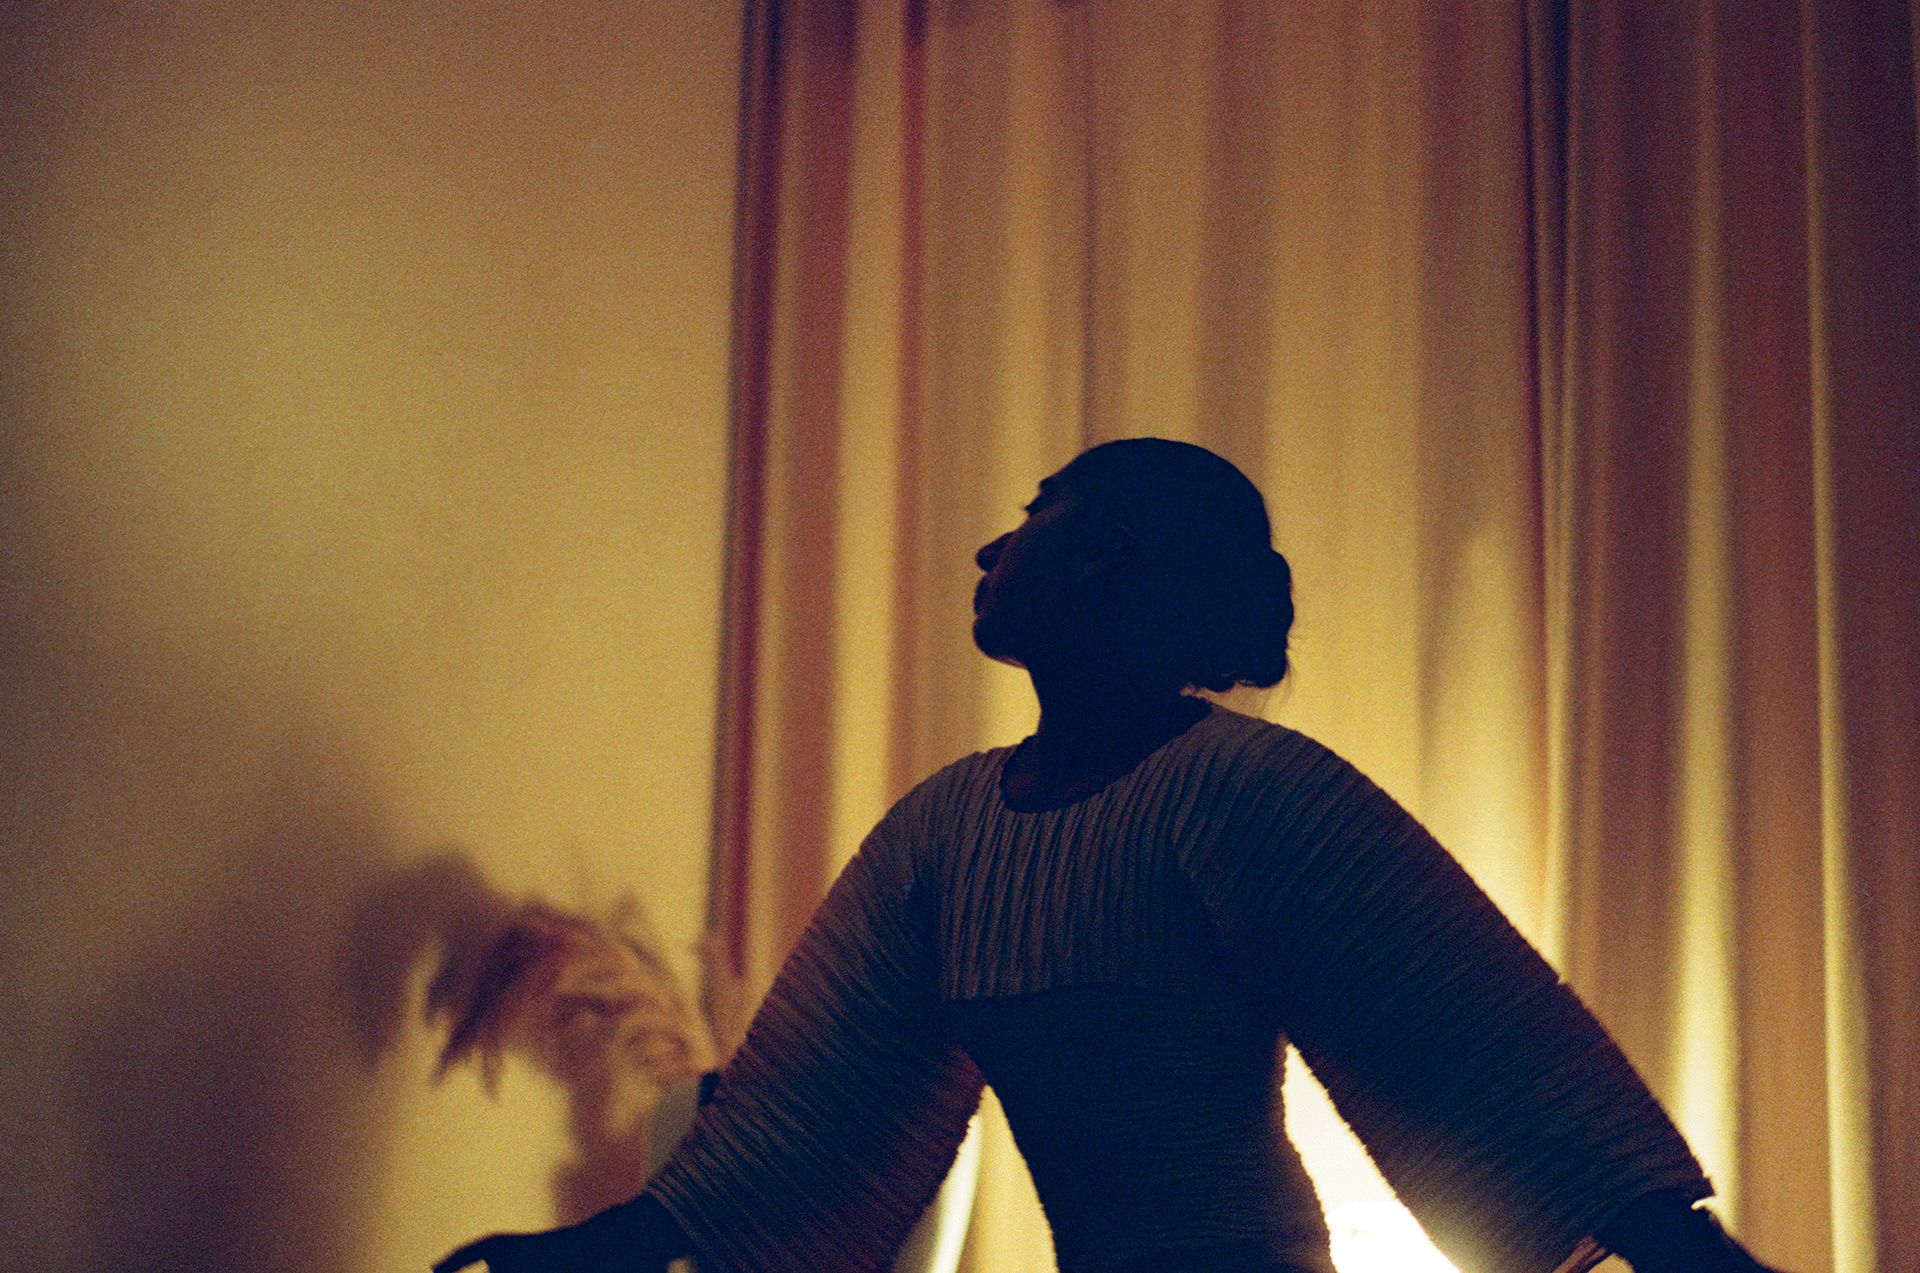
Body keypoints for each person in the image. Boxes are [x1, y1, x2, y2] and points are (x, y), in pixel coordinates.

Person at [437, 439, 1785, 1273]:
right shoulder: (941, 830)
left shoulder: (1247, 790)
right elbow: (809, 1102)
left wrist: (1690, 1254)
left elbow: (1472, 1037)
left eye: (1035, 511)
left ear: (1109, 556)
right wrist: (605, 1247)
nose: (990, 543)